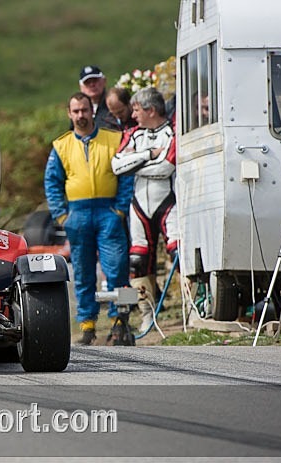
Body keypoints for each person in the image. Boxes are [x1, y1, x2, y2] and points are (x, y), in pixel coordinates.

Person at [44, 92, 132, 345]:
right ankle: (87, 324)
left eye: (84, 110)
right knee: (82, 272)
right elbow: (52, 182)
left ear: (91, 111)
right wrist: (61, 215)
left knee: (116, 267)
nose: (81, 115)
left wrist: (120, 210)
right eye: (76, 111)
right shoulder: (61, 145)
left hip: (108, 212)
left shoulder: (114, 139)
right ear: (69, 114)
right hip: (77, 214)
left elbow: (126, 175)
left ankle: (119, 322)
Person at [111, 87, 178, 333]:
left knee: (178, 253)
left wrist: (136, 163)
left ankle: (190, 312)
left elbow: (167, 167)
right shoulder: (133, 134)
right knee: (137, 260)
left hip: (169, 200)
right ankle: (147, 315)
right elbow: (117, 166)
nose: (133, 114)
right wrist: (149, 155)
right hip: (139, 204)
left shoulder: (172, 132)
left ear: (150, 109)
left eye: (137, 109)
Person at [77, 65, 121, 131]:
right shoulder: (78, 108)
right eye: (87, 82)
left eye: (95, 80)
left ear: (104, 81)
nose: (92, 85)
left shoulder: (114, 103)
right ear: (81, 87)